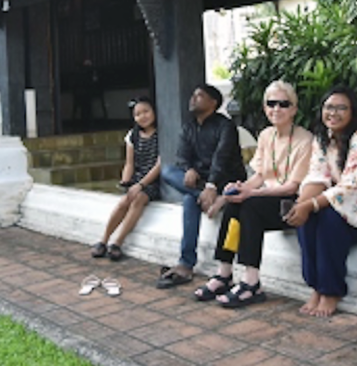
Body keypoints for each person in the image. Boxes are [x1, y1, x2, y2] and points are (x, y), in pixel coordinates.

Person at [193, 80, 314, 308]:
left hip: (291, 203)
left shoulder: (305, 139)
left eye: (283, 104)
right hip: (267, 197)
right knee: (234, 202)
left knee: (249, 206)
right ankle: (224, 273)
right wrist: (241, 188)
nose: (276, 109)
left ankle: (251, 282)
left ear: (294, 109)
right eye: (271, 103)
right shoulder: (266, 135)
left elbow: (292, 187)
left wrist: (252, 194)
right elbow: (259, 176)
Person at [285, 86, 357, 318]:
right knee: (308, 218)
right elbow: (317, 176)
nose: (333, 113)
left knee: (328, 219)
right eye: (329, 107)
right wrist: (301, 206)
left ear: (353, 112)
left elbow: (352, 186)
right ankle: (316, 286)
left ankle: (331, 290)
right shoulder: (324, 137)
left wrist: (310, 205)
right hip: (348, 202)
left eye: (341, 108)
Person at [157, 83, 248, 289]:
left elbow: (221, 158)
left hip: (226, 181)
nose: (193, 98)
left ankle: (186, 264)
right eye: (193, 95)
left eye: (199, 95)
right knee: (168, 172)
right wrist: (189, 169)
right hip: (200, 182)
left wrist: (212, 185)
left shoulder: (225, 126)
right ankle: (204, 198)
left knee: (190, 200)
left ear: (213, 103)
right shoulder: (188, 127)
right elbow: (182, 156)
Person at [90, 96, 161, 261]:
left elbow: (159, 165)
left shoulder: (161, 134)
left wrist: (141, 185)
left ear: (154, 111)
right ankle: (103, 240)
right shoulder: (132, 135)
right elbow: (129, 164)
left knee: (138, 200)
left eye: (146, 111)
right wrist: (126, 183)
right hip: (137, 179)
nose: (142, 116)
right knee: (124, 202)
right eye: (137, 114)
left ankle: (118, 243)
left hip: (154, 181)